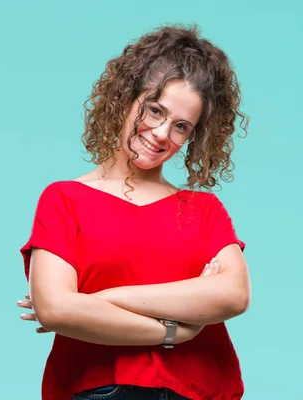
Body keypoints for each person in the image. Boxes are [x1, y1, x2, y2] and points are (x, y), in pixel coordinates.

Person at [16, 25, 251, 400]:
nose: (161, 134)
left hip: (201, 392)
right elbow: (57, 309)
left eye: (181, 127)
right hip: (100, 391)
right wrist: (173, 330)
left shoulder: (203, 210)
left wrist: (97, 301)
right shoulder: (65, 200)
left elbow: (233, 296)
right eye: (154, 110)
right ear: (126, 97)